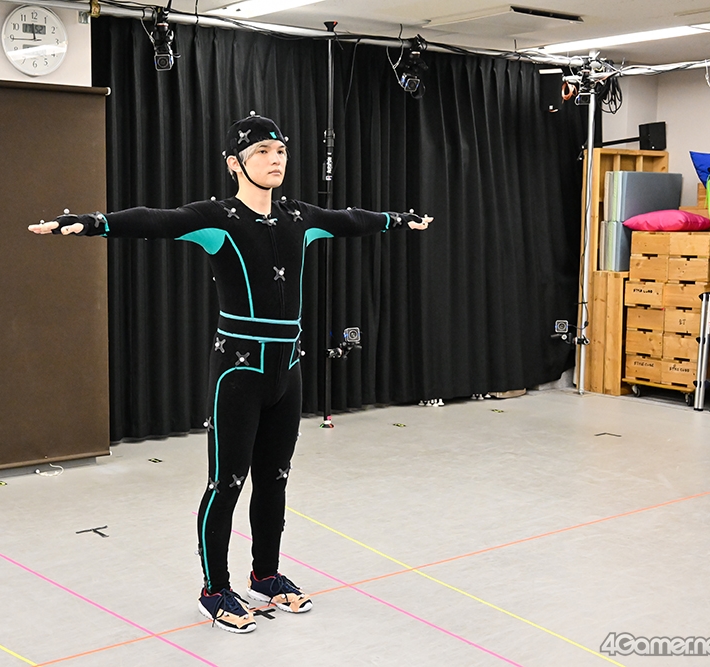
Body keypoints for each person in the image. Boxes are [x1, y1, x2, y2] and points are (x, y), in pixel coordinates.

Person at [29, 112, 431, 634]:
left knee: (275, 480)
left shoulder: (298, 217)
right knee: (226, 482)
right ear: (234, 164)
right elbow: (155, 220)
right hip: (236, 375)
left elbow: (350, 220)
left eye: (280, 151)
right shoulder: (218, 219)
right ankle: (214, 589)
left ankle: (265, 576)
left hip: (287, 371)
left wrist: (396, 219)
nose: (275, 159)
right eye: (262, 151)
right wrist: (92, 222)